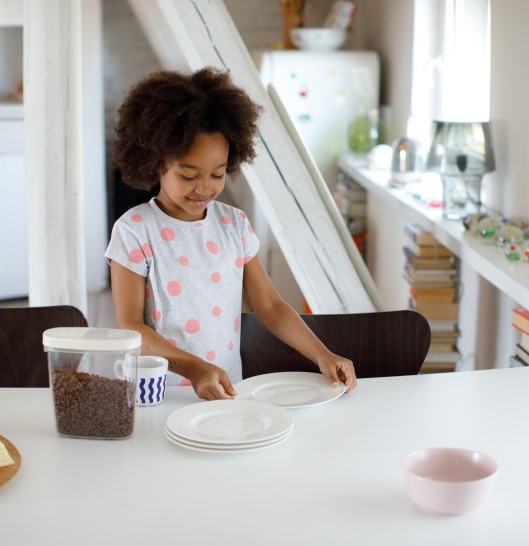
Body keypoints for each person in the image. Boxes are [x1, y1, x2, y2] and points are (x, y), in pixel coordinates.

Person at [105, 67, 357, 401]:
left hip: (227, 393)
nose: (204, 188)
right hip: (160, 395)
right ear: (156, 163)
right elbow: (130, 327)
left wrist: (322, 354)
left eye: (217, 173)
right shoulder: (134, 231)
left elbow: (270, 304)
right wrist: (193, 368)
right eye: (188, 175)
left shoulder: (234, 226)